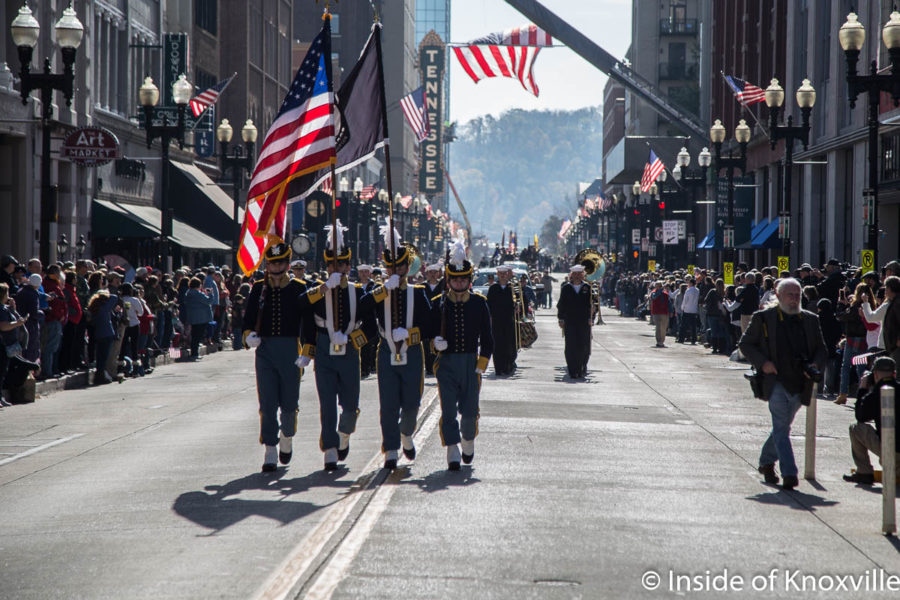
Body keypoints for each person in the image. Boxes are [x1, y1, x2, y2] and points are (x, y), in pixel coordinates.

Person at [298, 221, 376, 471]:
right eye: (332, 264)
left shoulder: (357, 292)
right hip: (324, 349)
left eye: (341, 264)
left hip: (349, 351)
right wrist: (322, 289)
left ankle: (344, 434)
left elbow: (372, 327)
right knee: (327, 403)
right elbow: (301, 309)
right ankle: (330, 448)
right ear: (326, 266)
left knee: (350, 404)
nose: (337, 268)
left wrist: (355, 339)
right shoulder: (317, 290)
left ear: (349, 267)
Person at [739, 278, 828, 490]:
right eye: (790, 295)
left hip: (801, 382)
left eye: (798, 295)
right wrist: (763, 363)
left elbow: (822, 349)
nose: (794, 299)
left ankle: (766, 462)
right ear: (778, 296)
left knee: (782, 427)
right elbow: (745, 344)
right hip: (775, 380)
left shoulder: (810, 319)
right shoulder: (764, 318)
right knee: (781, 425)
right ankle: (789, 473)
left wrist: (815, 364)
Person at [361, 232, 433, 470]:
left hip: (411, 351)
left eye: (400, 267)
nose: (396, 271)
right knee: (388, 403)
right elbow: (362, 307)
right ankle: (391, 449)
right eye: (391, 267)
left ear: (406, 267)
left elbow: (430, 324)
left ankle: (406, 434)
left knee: (412, 402)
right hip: (386, 352)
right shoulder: (380, 292)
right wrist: (382, 290)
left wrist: (412, 334)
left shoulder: (418, 292)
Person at [241, 243, 309, 473]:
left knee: (289, 404)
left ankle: (287, 437)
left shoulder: (299, 288)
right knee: (267, 403)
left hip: (291, 350)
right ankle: (270, 447)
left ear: (287, 264)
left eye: (280, 262)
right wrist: (248, 335)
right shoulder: (259, 288)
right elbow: (248, 319)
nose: (276, 267)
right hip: (266, 352)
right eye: (272, 263)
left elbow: (308, 323)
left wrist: (307, 351)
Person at [431, 236, 493, 470]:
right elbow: (428, 333)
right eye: (454, 280)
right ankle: (452, 448)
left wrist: (482, 362)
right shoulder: (439, 303)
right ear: (449, 281)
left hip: (470, 363)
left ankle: (467, 440)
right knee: (448, 410)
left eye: (462, 279)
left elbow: (488, 337)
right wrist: (434, 344)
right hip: (446, 364)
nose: (458, 283)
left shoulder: (479, 303)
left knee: (469, 412)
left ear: (469, 280)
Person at [842, 356, 900, 485]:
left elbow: (860, 417)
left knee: (856, 429)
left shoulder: (875, 394)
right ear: (894, 374)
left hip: (891, 453)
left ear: (875, 375)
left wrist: (863, 388)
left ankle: (864, 472)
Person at [557, 265, 593, 378]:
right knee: (571, 346)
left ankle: (581, 367)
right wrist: (561, 318)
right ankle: (572, 369)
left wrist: (592, 317)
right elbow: (561, 304)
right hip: (570, 321)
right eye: (575, 274)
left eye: (579, 274)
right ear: (571, 275)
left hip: (584, 321)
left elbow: (592, 304)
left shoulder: (587, 287)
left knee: (583, 345)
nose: (577, 276)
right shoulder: (566, 288)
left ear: (583, 275)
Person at [86, 279, 119, 385]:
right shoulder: (104, 308)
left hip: (99, 334)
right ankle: (100, 376)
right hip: (107, 334)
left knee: (100, 356)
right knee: (103, 357)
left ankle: (99, 375)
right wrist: (106, 292)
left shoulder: (94, 309)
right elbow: (114, 297)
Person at [487, 265, 518, 376]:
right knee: (498, 345)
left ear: (508, 275)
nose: (503, 276)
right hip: (496, 320)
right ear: (497, 275)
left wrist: (517, 307)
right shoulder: (493, 288)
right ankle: (499, 368)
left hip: (509, 320)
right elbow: (488, 305)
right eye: (501, 274)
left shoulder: (513, 288)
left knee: (509, 344)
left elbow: (518, 301)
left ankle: (508, 366)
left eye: (505, 274)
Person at [422, 263, 445, 376]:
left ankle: (438, 365)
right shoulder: (422, 287)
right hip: (426, 319)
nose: (432, 275)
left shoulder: (442, 286)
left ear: (438, 273)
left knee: (438, 342)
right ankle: (429, 367)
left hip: (438, 319)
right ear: (427, 274)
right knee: (426, 344)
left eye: (435, 272)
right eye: (430, 273)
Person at [184, 278, 214, 360]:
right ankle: (194, 353)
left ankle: (194, 353)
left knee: (195, 336)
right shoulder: (198, 294)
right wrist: (210, 293)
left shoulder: (188, 293)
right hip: (201, 318)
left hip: (193, 317)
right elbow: (209, 301)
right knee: (197, 336)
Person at [678, 277, 700, 344]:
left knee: (683, 325)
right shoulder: (697, 290)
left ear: (691, 283)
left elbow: (685, 300)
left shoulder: (688, 290)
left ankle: (681, 339)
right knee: (693, 326)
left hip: (687, 309)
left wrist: (682, 307)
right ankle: (693, 339)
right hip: (694, 309)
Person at [649, 281, 670, 348]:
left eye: (659, 286)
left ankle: (662, 341)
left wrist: (671, 311)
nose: (657, 287)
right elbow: (653, 297)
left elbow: (669, 303)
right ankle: (658, 341)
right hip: (656, 312)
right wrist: (659, 292)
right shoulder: (653, 293)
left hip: (664, 312)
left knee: (663, 328)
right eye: (656, 285)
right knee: (658, 327)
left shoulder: (665, 294)